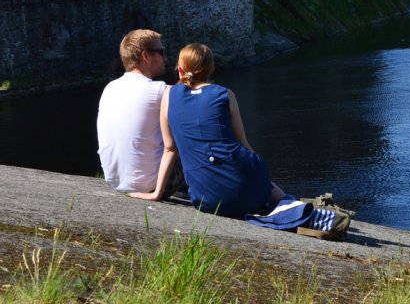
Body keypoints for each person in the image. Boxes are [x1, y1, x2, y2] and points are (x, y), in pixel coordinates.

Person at [130, 42, 285, 217]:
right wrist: (262, 178)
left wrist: (157, 193)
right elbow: (244, 145)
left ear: (180, 70)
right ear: (210, 68)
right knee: (260, 179)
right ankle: (290, 202)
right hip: (246, 186)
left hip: (207, 198)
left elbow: (170, 149)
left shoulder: (169, 95)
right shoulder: (226, 94)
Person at [97, 28, 168, 194]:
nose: (165, 58)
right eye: (161, 52)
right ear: (145, 56)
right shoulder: (159, 90)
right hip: (147, 184)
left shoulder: (110, 88)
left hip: (114, 181)